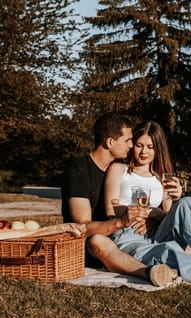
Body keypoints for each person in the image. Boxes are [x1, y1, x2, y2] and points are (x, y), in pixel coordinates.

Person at [104, 120, 191, 288]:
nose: (144, 151)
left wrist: (174, 199)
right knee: (165, 250)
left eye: (150, 147)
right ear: (132, 146)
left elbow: (168, 215)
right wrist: (140, 212)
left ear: (158, 149)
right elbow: (110, 208)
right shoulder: (119, 169)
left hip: (156, 232)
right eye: (139, 145)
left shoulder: (161, 177)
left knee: (186, 202)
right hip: (128, 234)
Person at [61, 113, 178, 287]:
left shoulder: (119, 170)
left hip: (126, 236)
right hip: (89, 245)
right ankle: (147, 272)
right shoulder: (79, 172)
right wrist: (121, 222)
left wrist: (149, 219)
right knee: (97, 240)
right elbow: (82, 226)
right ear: (109, 142)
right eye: (127, 141)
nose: (131, 146)